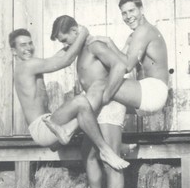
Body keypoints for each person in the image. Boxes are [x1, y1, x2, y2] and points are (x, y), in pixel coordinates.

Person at [47, 0, 169, 188]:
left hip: (153, 91)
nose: (128, 16)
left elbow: (124, 65)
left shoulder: (144, 31)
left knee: (101, 85)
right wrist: (113, 44)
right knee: (89, 153)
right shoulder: (133, 35)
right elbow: (124, 64)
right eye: (124, 13)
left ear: (142, 9)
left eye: (132, 10)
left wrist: (109, 43)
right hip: (140, 92)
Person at [10, 26, 129, 171]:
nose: (28, 48)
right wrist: (84, 33)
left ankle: (73, 132)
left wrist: (75, 41)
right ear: (13, 51)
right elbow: (65, 60)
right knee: (81, 101)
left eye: (30, 43)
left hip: (51, 124)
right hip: (43, 127)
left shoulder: (30, 65)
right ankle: (105, 150)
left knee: (95, 95)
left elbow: (57, 57)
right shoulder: (26, 66)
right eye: (23, 45)